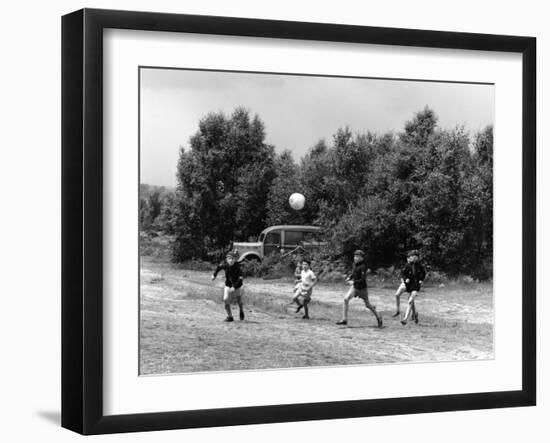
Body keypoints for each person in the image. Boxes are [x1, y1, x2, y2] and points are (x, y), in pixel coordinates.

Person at [336, 250, 383, 327]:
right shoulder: (354, 265)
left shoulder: (363, 267)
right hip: (354, 288)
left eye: (358, 256)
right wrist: (350, 277)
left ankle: (378, 315)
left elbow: (362, 279)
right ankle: (344, 319)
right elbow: (354, 273)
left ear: (362, 258)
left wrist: (353, 282)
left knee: (367, 305)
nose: (355, 258)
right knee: (346, 299)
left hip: (362, 289)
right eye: (355, 256)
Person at [394, 249, 426, 325]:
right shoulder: (407, 265)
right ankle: (414, 314)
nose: (412, 258)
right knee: (403, 297)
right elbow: (403, 274)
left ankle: (405, 319)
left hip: (415, 287)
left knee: (410, 301)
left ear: (417, 257)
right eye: (411, 256)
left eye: (414, 256)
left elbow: (424, 274)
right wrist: (405, 279)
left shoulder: (420, 266)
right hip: (408, 286)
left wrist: (421, 280)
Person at [212, 251, 245, 322]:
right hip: (228, 285)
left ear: (235, 259)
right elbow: (218, 267)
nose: (231, 260)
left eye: (233, 258)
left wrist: (234, 287)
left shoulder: (238, 267)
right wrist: (214, 275)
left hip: (237, 286)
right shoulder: (225, 265)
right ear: (227, 259)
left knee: (239, 300)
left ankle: (241, 310)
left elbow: (240, 280)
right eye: (229, 258)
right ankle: (230, 317)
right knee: (225, 299)